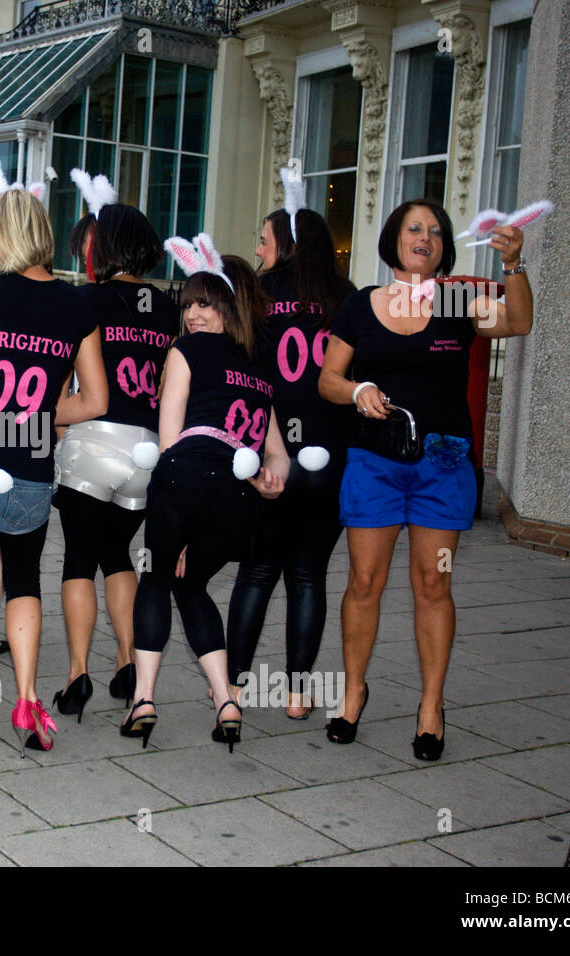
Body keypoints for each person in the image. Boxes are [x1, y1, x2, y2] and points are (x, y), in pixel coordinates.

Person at [317, 198, 533, 761]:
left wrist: (514, 265)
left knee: (433, 585)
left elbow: (518, 322)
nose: (425, 237)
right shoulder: (360, 307)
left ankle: (431, 705)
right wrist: (357, 390)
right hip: (373, 462)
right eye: (415, 228)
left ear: (444, 249)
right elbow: (327, 380)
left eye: (436, 232)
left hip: (441, 464)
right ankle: (353, 691)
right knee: (365, 582)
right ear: (394, 239)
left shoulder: (459, 300)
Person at [0, 186, 107, 755]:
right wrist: (34, 416)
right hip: (27, 459)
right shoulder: (79, 304)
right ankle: (28, 702)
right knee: (25, 576)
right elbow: (96, 400)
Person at [123, 250, 287, 753]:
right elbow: (278, 456)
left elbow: (170, 438)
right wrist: (271, 482)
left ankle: (144, 699)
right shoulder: (259, 371)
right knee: (190, 585)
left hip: (185, 478)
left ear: (229, 308)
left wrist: (176, 508)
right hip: (240, 500)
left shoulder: (184, 351)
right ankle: (226, 700)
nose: (193, 315)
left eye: (206, 305)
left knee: (155, 578)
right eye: (189, 305)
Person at [226, 207, 356, 718]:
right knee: (309, 574)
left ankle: (233, 689)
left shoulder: (257, 295)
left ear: (286, 242)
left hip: (268, 449)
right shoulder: (347, 297)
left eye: (264, 240)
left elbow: (238, 372)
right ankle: (299, 694)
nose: (258, 249)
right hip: (329, 455)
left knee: (257, 571)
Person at [52, 203, 179, 721]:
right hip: (148, 449)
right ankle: (128, 663)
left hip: (94, 440)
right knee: (119, 553)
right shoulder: (170, 308)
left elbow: (63, 377)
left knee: (79, 558)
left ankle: (77, 672)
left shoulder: (84, 301)